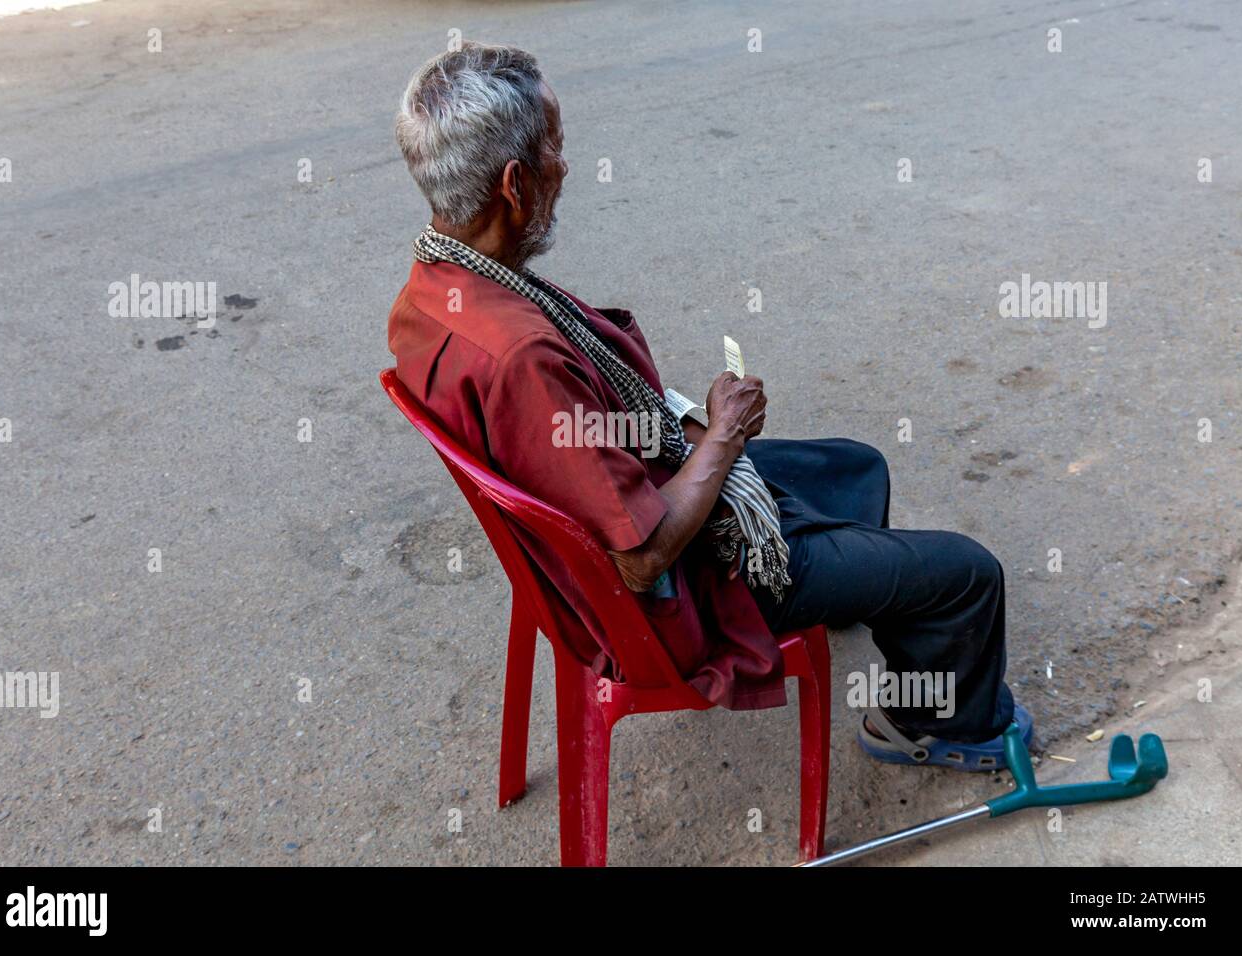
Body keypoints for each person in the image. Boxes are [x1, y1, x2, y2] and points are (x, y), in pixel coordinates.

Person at [388, 42, 1032, 771]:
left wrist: (687, 428)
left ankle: (861, 592)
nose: (565, 167)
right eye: (556, 149)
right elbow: (643, 557)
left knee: (858, 470)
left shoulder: (434, 289)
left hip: (630, 510)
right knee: (969, 576)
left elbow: (576, 429)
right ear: (514, 184)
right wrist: (720, 439)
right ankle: (930, 727)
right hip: (681, 589)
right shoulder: (521, 358)